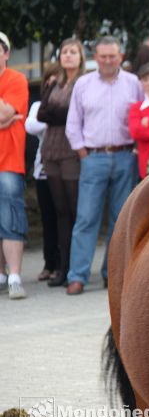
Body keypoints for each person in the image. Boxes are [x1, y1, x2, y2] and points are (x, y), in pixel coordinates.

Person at [65, 36, 143, 295]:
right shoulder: (83, 84)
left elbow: (141, 115)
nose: (108, 61)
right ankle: (77, 275)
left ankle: (114, 274)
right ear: (95, 57)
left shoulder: (133, 84)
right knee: (86, 218)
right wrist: (83, 153)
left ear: (120, 56)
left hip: (124, 156)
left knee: (121, 219)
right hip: (94, 157)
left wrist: (134, 149)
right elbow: (73, 122)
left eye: (112, 56)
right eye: (103, 56)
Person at [37, 39, 85, 288]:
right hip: (51, 149)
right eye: (65, 52)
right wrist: (58, 112)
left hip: (71, 150)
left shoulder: (83, 82)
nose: (68, 56)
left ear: (81, 56)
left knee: (76, 211)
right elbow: (41, 113)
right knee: (60, 212)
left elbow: (72, 115)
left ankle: (76, 268)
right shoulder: (55, 83)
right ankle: (62, 266)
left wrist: (56, 113)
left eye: (73, 52)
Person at [0, 31, 30, 300]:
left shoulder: (17, 79)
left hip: (9, 161)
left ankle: (15, 277)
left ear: (6, 53)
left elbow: (4, 114)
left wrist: (7, 116)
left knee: (11, 219)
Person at [26, 93, 61, 285]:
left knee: (64, 217)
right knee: (48, 219)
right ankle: (49, 263)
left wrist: (48, 119)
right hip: (43, 170)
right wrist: (52, 118)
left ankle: (62, 263)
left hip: (66, 169)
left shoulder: (72, 100)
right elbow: (30, 126)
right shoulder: (39, 105)